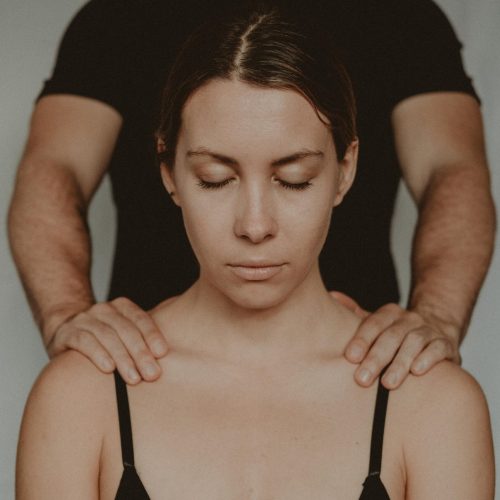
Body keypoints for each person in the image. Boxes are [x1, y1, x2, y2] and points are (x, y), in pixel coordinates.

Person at [16, 8, 494, 499]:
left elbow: (451, 167)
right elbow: (55, 166)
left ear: (346, 169)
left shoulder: (434, 404)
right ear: (168, 171)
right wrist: (65, 316)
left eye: (294, 180)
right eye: (215, 179)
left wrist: (437, 318)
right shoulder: (79, 397)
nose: (255, 226)